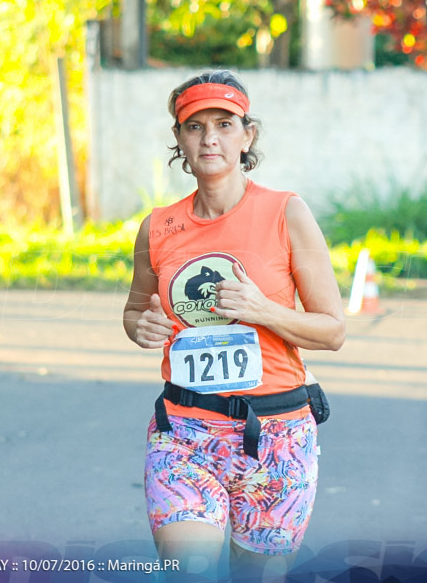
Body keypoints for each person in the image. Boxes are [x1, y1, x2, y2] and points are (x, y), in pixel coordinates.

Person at [122, 70, 345, 580]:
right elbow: (136, 311)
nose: (210, 138)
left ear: (248, 135)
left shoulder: (287, 212)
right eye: (195, 127)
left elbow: (332, 331)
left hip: (277, 433)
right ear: (179, 139)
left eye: (224, 124)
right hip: (184, 431)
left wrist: (260, 307)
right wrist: (142, 327)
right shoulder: (157, 226)